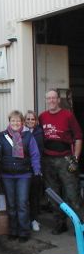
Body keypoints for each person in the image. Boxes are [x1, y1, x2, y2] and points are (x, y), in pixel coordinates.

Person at [39, 89, 84, 235]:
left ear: (58, 100)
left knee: (72, 194)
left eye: (54, 98)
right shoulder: (42, 117)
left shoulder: (68, 115)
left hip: (65, 159)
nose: (51, 100)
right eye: (48, 98)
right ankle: (60, 223)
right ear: (46, 100)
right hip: (47, 160)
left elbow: (78, 137)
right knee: (53, 194)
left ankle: (81, 225)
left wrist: (75, 159)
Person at [0, 110, 41, 243]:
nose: (15, 123)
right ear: (9, 122)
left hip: (24, 174)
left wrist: (37, 172)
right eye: (13, 120)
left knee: (22, 203)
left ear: (22, 122)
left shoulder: (28, 136)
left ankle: (23, 231)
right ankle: (13, 230)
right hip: (7, 175)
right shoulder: (2, 136)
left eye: (18, 120)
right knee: (11, 205)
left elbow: (35, 155)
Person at [25, 110, 44, 232]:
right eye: (28, 119)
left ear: (36, 121)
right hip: (24, 169)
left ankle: (34, 220)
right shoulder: (22, 133)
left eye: (33, 119)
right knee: (24, 196)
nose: (30, 121)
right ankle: (25, 220)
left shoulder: (40, 133)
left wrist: (39, 169)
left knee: (34, 196)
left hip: (36, 169)